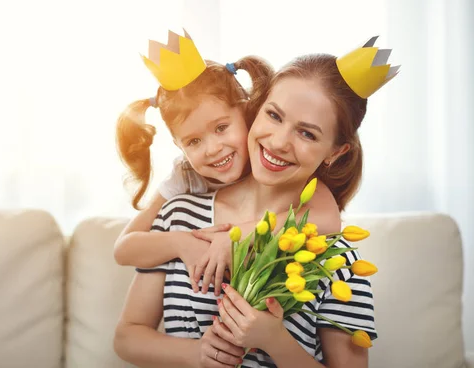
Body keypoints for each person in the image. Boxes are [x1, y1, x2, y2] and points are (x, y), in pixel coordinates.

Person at [114, 36, 399, 367]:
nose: (278, 142)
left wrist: (274, 341)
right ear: (255, 109)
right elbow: (127, 337)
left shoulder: (334, 256)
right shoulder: (178, 217)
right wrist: (198, 354)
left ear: (335, 152)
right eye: (274, 116)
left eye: (307, 133)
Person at [114, 30, 341, 296]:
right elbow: (124, 249)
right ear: (179, 146)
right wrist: (180, 243)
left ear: (247, 110)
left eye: (221, 127)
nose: (212, 149)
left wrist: (240, 234)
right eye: (193, 142)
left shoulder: (274, 162)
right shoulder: (185, 174)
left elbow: (328, 219)